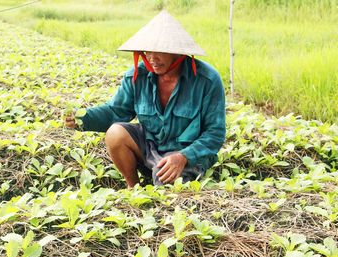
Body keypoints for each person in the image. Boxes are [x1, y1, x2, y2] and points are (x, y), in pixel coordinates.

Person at [65, 10, 226, 188]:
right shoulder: (137, 76)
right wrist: (82, 118)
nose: (152, 57)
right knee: (115, 133)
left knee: (164, 183)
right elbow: (115, 112)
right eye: (147, 51)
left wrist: (184, 157)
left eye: (159, 51)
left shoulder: (207, 80)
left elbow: (215, 133)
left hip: (187, 154)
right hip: (151, 146)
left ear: (178, 53)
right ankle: (133, 187)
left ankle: (166, 176)